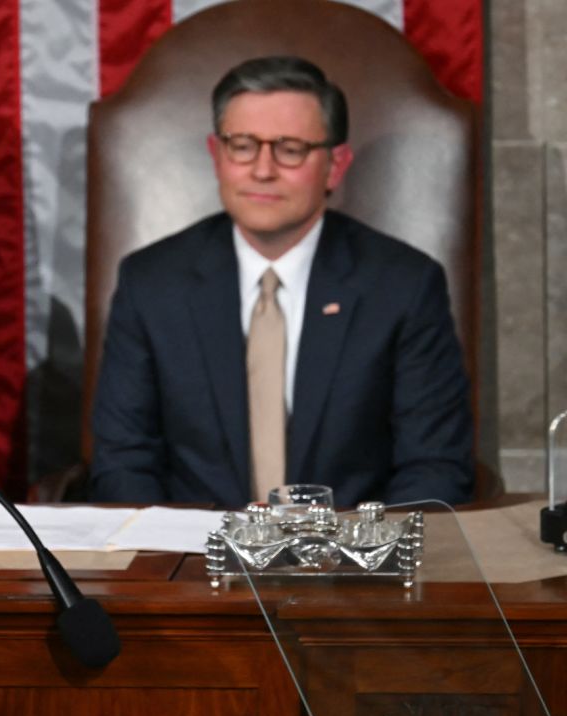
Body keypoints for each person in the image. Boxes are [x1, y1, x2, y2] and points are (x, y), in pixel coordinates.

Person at [90, 56, 473, 509]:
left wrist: (362, 550)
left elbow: (433, 466)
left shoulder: (403, 286)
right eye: (243, 146)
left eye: (290, 149)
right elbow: (124, 461)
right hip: (193, 549)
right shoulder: (152, 283)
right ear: (216, 155)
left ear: (335, 164)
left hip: (349, 549)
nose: (263, 170)